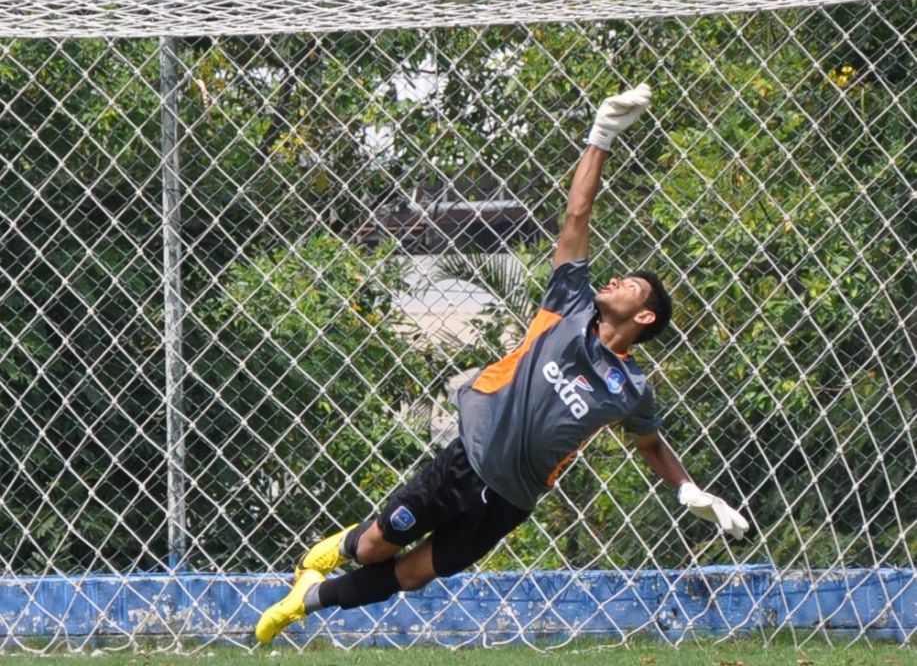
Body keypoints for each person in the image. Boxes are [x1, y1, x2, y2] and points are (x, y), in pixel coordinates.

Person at [254, 83, 750, 644]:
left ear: (643, 319)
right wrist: (602, 135)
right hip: (468, 459)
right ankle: (331, 552)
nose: (615, 280)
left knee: (414, 575)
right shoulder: (568, 305)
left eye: (631, 285)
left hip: (511, 500)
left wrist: (687, 490)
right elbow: (577, 211)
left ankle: (304, 601)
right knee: (372, 547)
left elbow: (651, 442)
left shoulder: (630, 386)